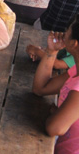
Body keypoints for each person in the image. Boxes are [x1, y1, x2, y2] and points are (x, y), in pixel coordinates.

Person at [32, 20, 79, 153]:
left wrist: (54, 114)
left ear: (74, 44)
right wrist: (51, 51)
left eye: (67, 31)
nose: (63, 34)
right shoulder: (75, 71)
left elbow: (55, 128)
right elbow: (40, 88)